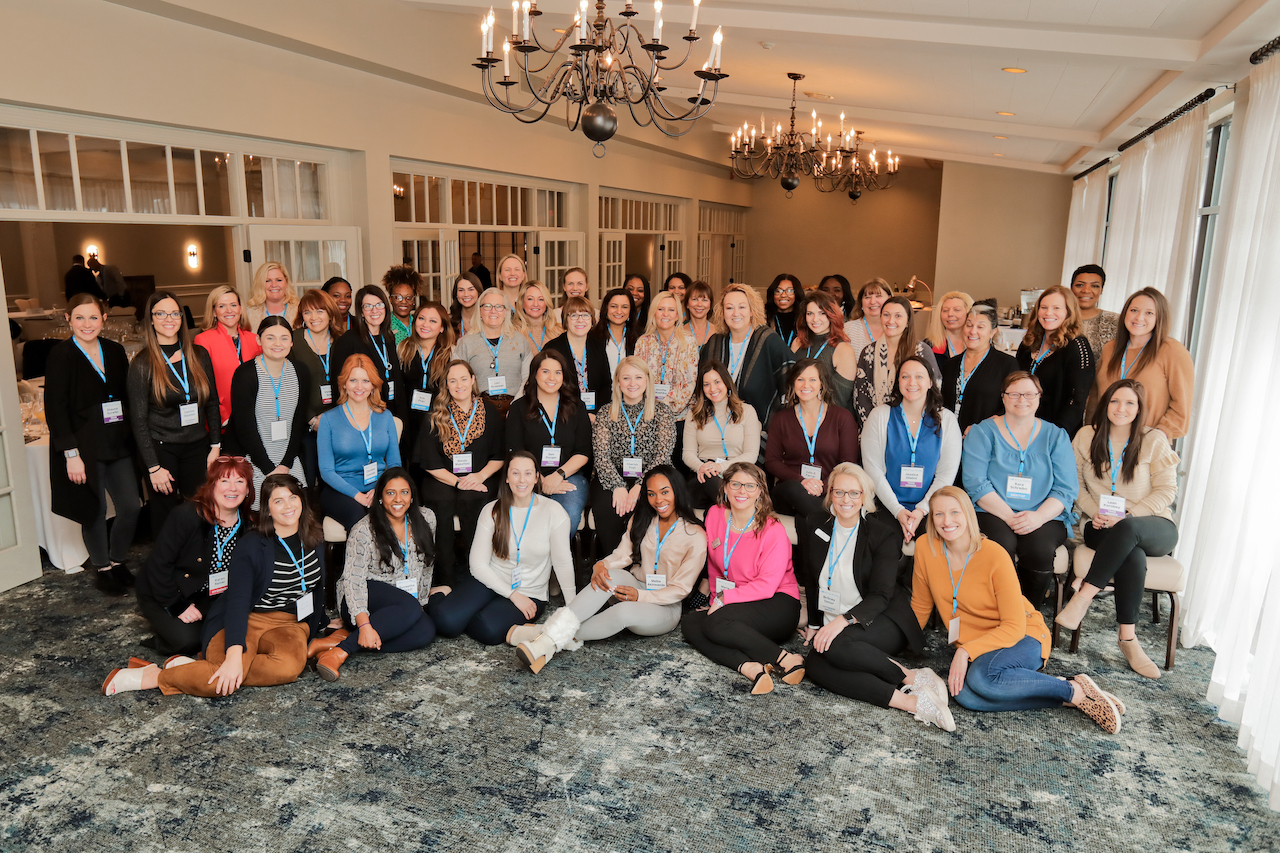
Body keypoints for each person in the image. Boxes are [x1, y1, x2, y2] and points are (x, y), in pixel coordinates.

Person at [910, 487, 1123, 732]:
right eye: (939, 514)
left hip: (1023, 636)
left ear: (968, 514)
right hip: (981, 645)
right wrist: (903, 641)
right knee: (965, 697)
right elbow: (921, 604)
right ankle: (1068, 697)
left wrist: (965, 651)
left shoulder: (994, 555)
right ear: (931, 519)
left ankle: (1073, 689)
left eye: (954, 512)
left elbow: (1014, 626)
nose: (947, 521)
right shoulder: (926, 547)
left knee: (981, 679)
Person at [102, 474, 328, 698]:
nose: (288, 506)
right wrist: (233, 656)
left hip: (289, 624)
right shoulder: (251, 545)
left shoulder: (315, 537)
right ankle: (154, 676)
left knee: (287, 669)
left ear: (302, 500)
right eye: (278, 501)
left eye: (292, 498)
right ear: (267, 509)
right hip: (248, 618)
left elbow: (314, 587)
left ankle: (191, 669)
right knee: (221, 682)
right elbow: (238, 603)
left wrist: (323, 621)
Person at [797, 464, 949, 729]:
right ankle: (914, 703)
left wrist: (841, 620)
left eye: (854, 493)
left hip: (881, 618)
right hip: (837, 622)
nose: (846, 500)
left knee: (833, 647)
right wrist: (814, 624)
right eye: (840, 492)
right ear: (830, 493)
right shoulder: (814, 523)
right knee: (815, 664)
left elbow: (881, 595)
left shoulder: (882, 534)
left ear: (865, 496)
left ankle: (911, 677)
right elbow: (811, 579)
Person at [513, 466, 707, 672]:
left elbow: (681, 589)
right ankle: (548, 641)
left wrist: (640, 596)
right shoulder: (643, 519)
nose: (658, 500)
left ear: (678, 491)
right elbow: (623, 555)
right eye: (651, 494)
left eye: (665, 492)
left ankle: (544, 638)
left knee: (623, 611)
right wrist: (601, 565)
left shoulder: (695, 535)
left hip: (665, 606)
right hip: (636, 584)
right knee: (610, 575)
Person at [1058, 379, 1179, 679]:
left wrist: (1130, 513)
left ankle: (1083, 596)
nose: (1121, 408)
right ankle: (1128, 639)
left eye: (1129, 403)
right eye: (1114, 401)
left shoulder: (1154, 439)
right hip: (1100, 523)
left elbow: (1167, 490)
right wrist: (1094, 511)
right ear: (1105, 404)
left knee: (1129, 532)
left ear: (1139, 409)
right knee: (1131, 553)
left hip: (1152, 524)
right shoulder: (1087, 436)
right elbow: (1074, 484)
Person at [680, 463, 803, 696]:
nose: (741, 491)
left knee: (716, 623)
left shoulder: (772, 530)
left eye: (749, 486)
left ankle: (785, 659)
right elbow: (716, 565)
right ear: (725, 487)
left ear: (760, 491)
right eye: (735, 484)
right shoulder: (715, 515)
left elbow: (767, 586)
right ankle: (750, 668)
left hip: (778, 603)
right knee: (691, 622)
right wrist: (715, 599)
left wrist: (725, 598)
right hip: (738, 602)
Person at [429, 452, 576, 645]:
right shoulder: (492, 509)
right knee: (445, 623)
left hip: (530, 593)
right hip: (490, 580)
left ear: (536, 478)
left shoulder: (554, 512)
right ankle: (444, 592)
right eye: (515, 473)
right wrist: (511, 594)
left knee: (487, 629)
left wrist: (573, 609)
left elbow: (563, 562)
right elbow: (478, 565)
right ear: (507, 478)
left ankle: (468, 608)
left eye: (528, 473)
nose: (521, 480)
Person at [46, 293, 140, 594]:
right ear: (68, 319)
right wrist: (71, 454)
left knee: (130, 506)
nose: (87, 324)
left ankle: (116, 559)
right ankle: (102, 567)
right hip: (84, 446)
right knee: (94, 509)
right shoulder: (62, 355)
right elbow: (55, 409)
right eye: (80, 318)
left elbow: (125, 396)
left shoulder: (114, 351)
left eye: (93, 317)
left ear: (105, 319)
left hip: (117, 440)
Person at [308, 468, 442, 681]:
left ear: (412, 495)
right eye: (390, 493)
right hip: (361, 599)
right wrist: (363, 624)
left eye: (404, 492)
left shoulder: (427, 519)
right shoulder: (364, 530)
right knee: (409, 606)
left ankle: (335, 641)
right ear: (379, 497)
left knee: (425, 632)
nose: (398, 499)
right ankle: (339, 653)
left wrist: (421, 602)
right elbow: (353, 580)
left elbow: (426, 566)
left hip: (401, 603)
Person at [962, 372, 1077, 607]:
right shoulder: (983, 432)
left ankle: (1027, 614)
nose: (1021, 399)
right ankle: (993, 611)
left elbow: (1065, 489)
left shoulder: (1056, 436)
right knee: (999, 545)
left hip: (1044, 513)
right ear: (1003, 398)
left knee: (1039, 549)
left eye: (1028, 394)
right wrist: (1009, 516)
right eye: (1014, 393)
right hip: (992, 510)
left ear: (1039, 397)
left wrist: (1037, 517)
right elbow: (975, 482)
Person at [134, 457, 253, 657]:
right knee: (189, 642)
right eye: (224, 481)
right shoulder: (186, 515)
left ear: (248, 489)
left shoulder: (248, 524)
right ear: (212, 485)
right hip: (167, 590)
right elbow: (159, 565)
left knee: (226, 636)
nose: (232, 488)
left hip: (209, 595)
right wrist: (177, 605)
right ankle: (162, 639)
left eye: (240, 481)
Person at [127, 290, 221, 535]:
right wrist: (153, 467)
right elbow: (138, 421)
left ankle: (200, 566)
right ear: (151, 320)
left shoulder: (199, 355)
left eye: (174, 313)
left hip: (197, 446)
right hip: (162, 449)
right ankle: (167, 570)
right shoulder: (142, 364)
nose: (169, 319)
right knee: (165, 515)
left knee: (202, 510)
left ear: (182, 317)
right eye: (161, 313)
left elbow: (211, 403)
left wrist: (215, 446)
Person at [418, 359, 505, 582]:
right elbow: (429, 461)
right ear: (446, 385)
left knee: (473, 498)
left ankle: (475, 573)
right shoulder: (435, 414)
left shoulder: (489, 412)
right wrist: (457, 482)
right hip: (442, 477)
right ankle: (444, 577)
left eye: (464, 379)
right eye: (452, 381)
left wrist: (479, 476)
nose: (459, 385)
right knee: (442, 503)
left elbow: (500, 455)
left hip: (480, 476)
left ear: (473, 380)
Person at [861, 356, 962, 544]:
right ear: (897, 381)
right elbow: (873, 470)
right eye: (905, 377)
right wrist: (898, 510)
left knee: (931, 549)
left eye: (919, 377)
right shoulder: (879, 416)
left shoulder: (946, 420)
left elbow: (946, 475)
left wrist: (921, 510)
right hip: (886, 504)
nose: (912, 382)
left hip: (931, 506)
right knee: (887, 548)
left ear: (930, 382)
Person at [590, 357, 677, 557]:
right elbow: (601, 456)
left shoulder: (662, 412)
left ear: (647, 380)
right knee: (607, 508)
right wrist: (618, 486)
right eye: (626, 378)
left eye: (638, 377)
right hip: (612, 474)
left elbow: (662, 455)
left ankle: (643, 564)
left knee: (648, 506)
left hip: (653, 474)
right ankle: (614, 564)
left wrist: (640, 484)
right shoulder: (605, 413)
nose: (632, 383)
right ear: (618, 382)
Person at [1086, 287, 1195, 441]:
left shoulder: (1172, 351)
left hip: (1145, 441)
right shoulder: (1110, 348)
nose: (1139, 318)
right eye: (1134, 310)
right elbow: (1096, 398)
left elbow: (1181, 407)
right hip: (1104, 440)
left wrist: (1160, 434)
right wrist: (1090, 430)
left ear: (1159, 317)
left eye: (1149, 313)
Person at [765, 359, 860, 530]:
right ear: (793, 384)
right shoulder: (781, 419)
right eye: (800, 379)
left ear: (822, 384)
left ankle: (817, 537)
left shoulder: (842, 418)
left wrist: (823, 486)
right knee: (795, 491)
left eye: (812, 380)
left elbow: (847, 464)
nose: (805, 385)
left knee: (805, 519)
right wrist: (802, 481)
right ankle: (833, 528)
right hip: (789, 490)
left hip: (829, 490)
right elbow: (772, 461)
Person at [506, 350, 593, 536]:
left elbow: (583, 451)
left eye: (558, 372)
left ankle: (555, 563)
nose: (551, 377)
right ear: (534, 374)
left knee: (565, 516)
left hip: (569, 476)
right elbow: (516, 451)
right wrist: (540, 480)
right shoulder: (519, 408)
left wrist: (558, 475)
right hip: (527, 477)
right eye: (545, 371)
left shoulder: (577, 407)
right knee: (528, 521)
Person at [227, 317, 310, 506]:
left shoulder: (300, 371)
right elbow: (244, 428)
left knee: (297, 505)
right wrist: (268, 469)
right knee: (263, 508)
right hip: (254, 457)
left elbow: (299, 422)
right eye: (270, 338)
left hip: (288, 457)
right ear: (259, 340)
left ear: (292, 341)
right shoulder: (245, 374)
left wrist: (285, 464)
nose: (277, 344)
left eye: (284, 338)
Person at [316, 354, 401, 532]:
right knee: (360, 521)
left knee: (393, 516)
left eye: (365, 380)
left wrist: (380, 489)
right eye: (353, 380)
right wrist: (358, 496)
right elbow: (326, 471)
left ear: (373, 385)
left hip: (378, 487)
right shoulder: (328, 420)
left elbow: (394, 464)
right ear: (344, 384)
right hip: (340, 490)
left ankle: (394, 560)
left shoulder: (385, 417)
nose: (359, 387)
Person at [699, 284, 795, 430]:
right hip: (716, 428)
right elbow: (701, 385)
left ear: (752, 311)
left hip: (760, 431)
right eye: (729, 308)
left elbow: (792, 380)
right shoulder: (715, 343)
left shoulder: (768, 340)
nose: (735, 313)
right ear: (722, 312)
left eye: (742, 307)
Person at [1015, 284, 1094, 437]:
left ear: (1068, 312)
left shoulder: (1077, 345)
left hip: (1054, 432)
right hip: (1021, 426)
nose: (1048, 313)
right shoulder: (1028, 343)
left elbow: (1077, 400)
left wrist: (1056, 434)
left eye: (1056, 308)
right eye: (1043, 307)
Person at [682, 361, 762, 509]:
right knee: (710, 479)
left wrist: (720, 467)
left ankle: (728, 515)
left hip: (738, 472)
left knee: (726, 484)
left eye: (717, 382)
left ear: (726, 383)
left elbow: (751, 454)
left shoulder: (747, 411)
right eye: (706, 384)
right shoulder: (694, 414)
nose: (712, 388)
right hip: (703, 474)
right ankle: (734, 516)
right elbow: (687, 454)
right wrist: (701, 467)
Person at [852, 295, 941, 425]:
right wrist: (876, 427)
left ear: (907, 321)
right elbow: (860, 395)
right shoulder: (868, 352)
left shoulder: (922, 351)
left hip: (914, 426)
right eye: (886, 315)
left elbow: (934, 390)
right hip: (874, 426)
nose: (891, 321)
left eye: (898, 316)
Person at [290, 288, 344, 484]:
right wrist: (312, 420)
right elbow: (288, 387)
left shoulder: (342, 340)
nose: (314, 317)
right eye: (307, 312)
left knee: (337, 478)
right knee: (309, 479)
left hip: (341, 422)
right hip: (307, 425)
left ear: (330, 313)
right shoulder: (293, 341)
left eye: (320, 311)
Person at [940, 304, 1018, 435]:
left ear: (993, 332)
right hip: (947, 438)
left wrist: (983, 428)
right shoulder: (950, 365)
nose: (972, 331)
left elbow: (1012, 406)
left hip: (984, 439)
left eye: (980, 327)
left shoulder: (1007, 364)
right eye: (969, 325)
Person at [454, 286, 533, 416]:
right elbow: (457, 379)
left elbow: (527, 376)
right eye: (488, 306)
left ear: (506, 312)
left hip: (515, 408)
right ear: (479, 311)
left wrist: (517, 406)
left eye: (499, 306)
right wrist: (474, 408)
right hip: (477, 411)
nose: (493, 311)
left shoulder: (519, 340)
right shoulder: (465, 343)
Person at [195, 285, 262, 427]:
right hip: (223, 420)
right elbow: (203, 384)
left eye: (233, 305)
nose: (229, 310)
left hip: (255, 416)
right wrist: (222, 415)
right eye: (222, 306)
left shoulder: (254, 339)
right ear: (214, 312)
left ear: (240, 309)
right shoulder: (203, 340)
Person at [333, 285, 406, 415]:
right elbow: (339, 385)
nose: (374, 310)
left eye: (379, 305)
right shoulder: (348, 341)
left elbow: (398, 382)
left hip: (392, 411)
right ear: (361, 311)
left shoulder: (389, 338)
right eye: (368, 306)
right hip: (364, 415)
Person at [398, 300, 455, 465]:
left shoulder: (450, 353)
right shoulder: (403, 349)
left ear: (442, 327)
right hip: (408, 419)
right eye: (421, 318)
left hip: (438, 420)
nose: (425, 324)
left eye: (433, 321)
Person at [634, 290, 699, 421]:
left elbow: (688, 385)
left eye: (671, 310)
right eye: (661, 309)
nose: (665, 314)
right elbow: (637, 380)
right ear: (654, 313)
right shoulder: (643, 342)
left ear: (677, 316)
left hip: (680, 418)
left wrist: (664, 409)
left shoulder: (688, 342)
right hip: (648, 417)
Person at [545, 296, 611, 416]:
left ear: (592, 320)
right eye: (574, 315)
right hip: (563, 415)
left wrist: (597, 414)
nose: (580, 320)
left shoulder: (598, 346)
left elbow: (605, 384)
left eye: (585, 315)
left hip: (594, 416)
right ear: (566, 319)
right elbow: (548, 387)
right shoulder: (553, 349)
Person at [792, 290, 857, 411]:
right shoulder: (797, 343)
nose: (815, 319)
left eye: (822, 313)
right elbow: (790, 386)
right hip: (799, 413)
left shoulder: (843, 350)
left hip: (831, 419)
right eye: (810, 313)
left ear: (832, 315)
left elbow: (839, 400)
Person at [1069, 264, 1118, 361]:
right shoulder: (1056, 319)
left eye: (1094, 286)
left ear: (1101, 290)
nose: (1086, 290)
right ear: (1071, 288)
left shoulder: (1115, 321)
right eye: (1080, 285)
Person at [591, 288, 636, 377]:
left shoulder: (638, 337)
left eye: (624, 307)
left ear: (630, 310)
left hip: (630, 388)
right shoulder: (593, 337)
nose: (619, 311)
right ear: (606, 308)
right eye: (614, 306)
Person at [244, 262, 299, 327]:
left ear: (286, 283)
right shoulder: (249, 314)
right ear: (260, 285)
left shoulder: (299, 311)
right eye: (268, 281)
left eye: (279, 280)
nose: (274, 285)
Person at [514, 280, 562, 352]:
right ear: (522, 302)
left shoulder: (560, 331)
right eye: (530, 299)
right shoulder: (513, 333)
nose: (536, 304)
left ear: (546, 303)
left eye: (541, 299)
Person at [846, 277, 890, 354]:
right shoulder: (847, 330)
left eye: (878, 296)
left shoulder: (898, 329)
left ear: (890, 299)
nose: (872, 302)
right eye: (867, 297)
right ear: (861, 302)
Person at [926, 290, 974, 359]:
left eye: (957, 310)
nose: (950, 314)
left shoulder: (978, 344)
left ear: (969, 313)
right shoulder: (928, 346)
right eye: (945, 310)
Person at [383, 265, 421, 345]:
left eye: (408, 297)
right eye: (398, 297)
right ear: (390, 299)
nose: (404, 301)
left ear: (413, 299)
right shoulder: (384, 325)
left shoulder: (419, 323)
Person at [765, 274, 802, 348]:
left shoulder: (804, 318)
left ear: (796, 293)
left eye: (790, 290)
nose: (783, 295)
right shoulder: (764, 318)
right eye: (778, 291)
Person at [683, 279, 716, 350]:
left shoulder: (718, 332)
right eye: (695, 299)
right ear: (687, 304)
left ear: (710, 305)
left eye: (704, 300)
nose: (699, 304)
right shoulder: (678, 333)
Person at [449, 272, 482, 338]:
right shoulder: (450, 321)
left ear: (478, 292)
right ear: (456, 294)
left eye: (471, 289)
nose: (466, 294)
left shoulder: (487, 318)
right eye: (461, 290)